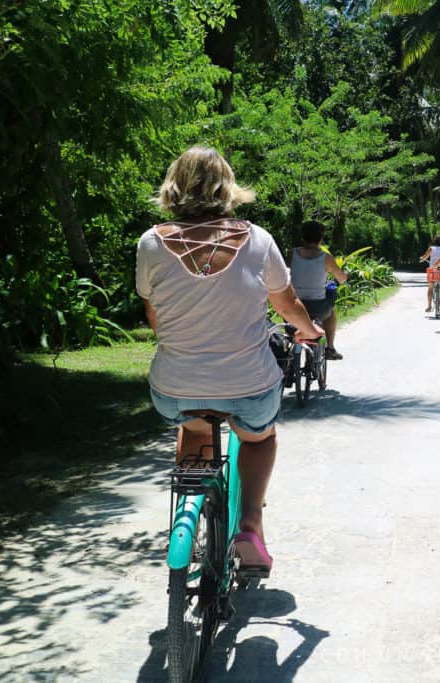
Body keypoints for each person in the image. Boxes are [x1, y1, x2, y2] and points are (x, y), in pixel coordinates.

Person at [136, 146, 323, 576]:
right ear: (228, 188)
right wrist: (310, 331)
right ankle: (250, 525)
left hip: (175, 384)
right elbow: (287, 303)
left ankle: (190, 505)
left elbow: (155, 314)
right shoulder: (257, 239)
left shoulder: (151, 242)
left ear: (174, 187)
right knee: (259, 438)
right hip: (247, 385)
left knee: (194, 424)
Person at [291, 220, 349, 361]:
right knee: (330, 313)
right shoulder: (326, 258)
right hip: (318, 307)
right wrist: (346, 275)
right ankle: (330, 348)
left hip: (294, 305)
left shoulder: (291, 253)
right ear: (321, 238)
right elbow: (341, 279)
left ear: (303, 237)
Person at [419, 235, 440, 313]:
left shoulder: (431, 248)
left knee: (430, 287)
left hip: (432, 270)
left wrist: (422, 259)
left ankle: (429, 306)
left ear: (435, 242)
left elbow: (424, 257)